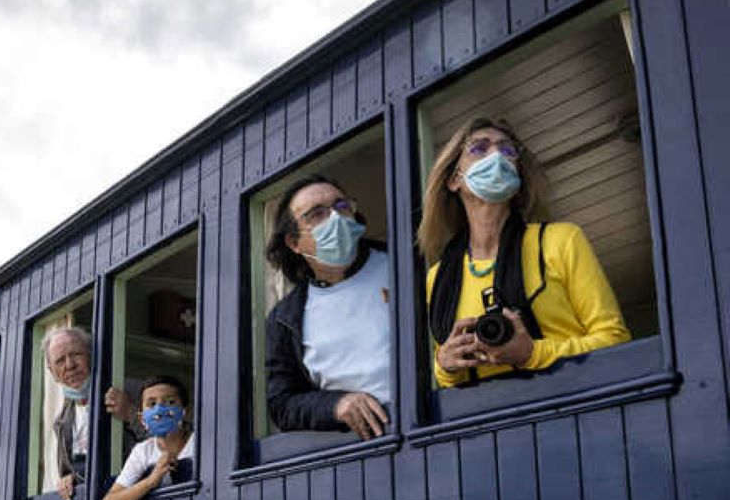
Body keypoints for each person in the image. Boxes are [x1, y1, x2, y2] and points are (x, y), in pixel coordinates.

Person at [419, 117, 630, 386]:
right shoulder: (438, 277)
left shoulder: (561, 240)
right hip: (486, 410)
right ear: (453, 179)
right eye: (479, 148)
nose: (497, 156)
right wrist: (445, 365)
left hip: (572, 400)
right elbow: (447, 376)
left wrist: (532, 353)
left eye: (507, 150)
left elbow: (615, 340)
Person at [264, 174, 392, 440]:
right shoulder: (285, 317)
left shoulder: (403, 263)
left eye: (341, 206)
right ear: (294, 242)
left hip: (426, 421)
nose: (335, 217)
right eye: (316, 214)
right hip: (357, 444)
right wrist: (335, 405)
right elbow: (282, 404)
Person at [42, 326, 143, 500]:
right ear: (53, 373)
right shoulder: (61, 422)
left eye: (76, 354)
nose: (70, 365)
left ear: (91, 355)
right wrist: (68, 480)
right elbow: (69, 473)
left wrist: (131, 414)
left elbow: (170, 442)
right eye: (60, 361)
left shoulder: (132, 391)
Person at [100, 376, 196, 500]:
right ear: (142, 419)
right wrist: (152, 480)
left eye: (170, 402)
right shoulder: (143, 451)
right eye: (152, 404)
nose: (159, 409)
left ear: (185, 411)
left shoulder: (199, 442)